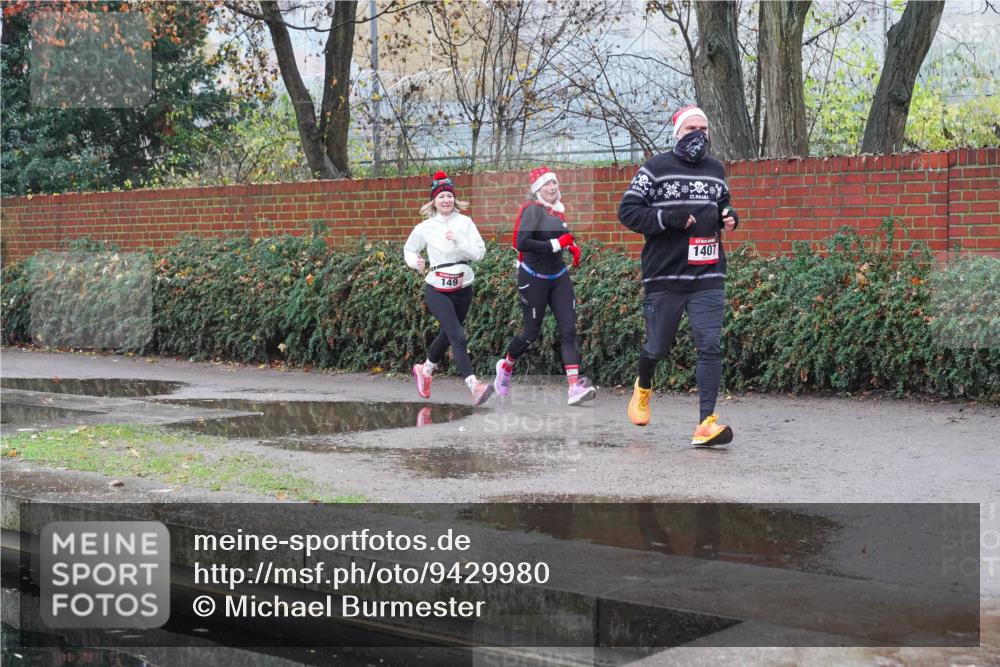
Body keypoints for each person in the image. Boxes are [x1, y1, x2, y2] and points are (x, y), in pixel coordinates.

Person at [617, 105, 740, 445]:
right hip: (665, 277)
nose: (699, 135)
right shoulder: (656, 169)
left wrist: (729, 216)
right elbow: (627, 211)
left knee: (710, 345)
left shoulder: (716, 170)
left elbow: (722, 204)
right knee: (657, 347)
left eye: (704, 128)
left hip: (708, 274)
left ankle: (706, 423)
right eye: (691, 129)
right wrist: (666, 219)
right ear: (678, 134)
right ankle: (643, 388)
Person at [493, 166, 596, 406]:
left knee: (569, 330)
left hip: (559, 276)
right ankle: (506, 366)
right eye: (547, 185)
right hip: (533, 278)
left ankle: (573, 388)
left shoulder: (557, 211)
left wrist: (571, 247)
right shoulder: (533, 210)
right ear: (537, 189)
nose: (552, 188)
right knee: (530, 334)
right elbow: (522, 242)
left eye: (555, 184)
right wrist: (556, 245)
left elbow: (560, 239)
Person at [404, 171, 493, 406]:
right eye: (441, 196)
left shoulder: (465, 222)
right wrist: (416, 262)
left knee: (448, 334)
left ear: (454, 198)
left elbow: (480, 253)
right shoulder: (425, 227)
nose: (446, 200)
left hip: (464, 286)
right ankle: (475, 386)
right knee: (457, 335)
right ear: (434, 200)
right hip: (437, 288)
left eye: (449, 196)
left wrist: (459, 241)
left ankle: (425, 370)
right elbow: (409, 250)